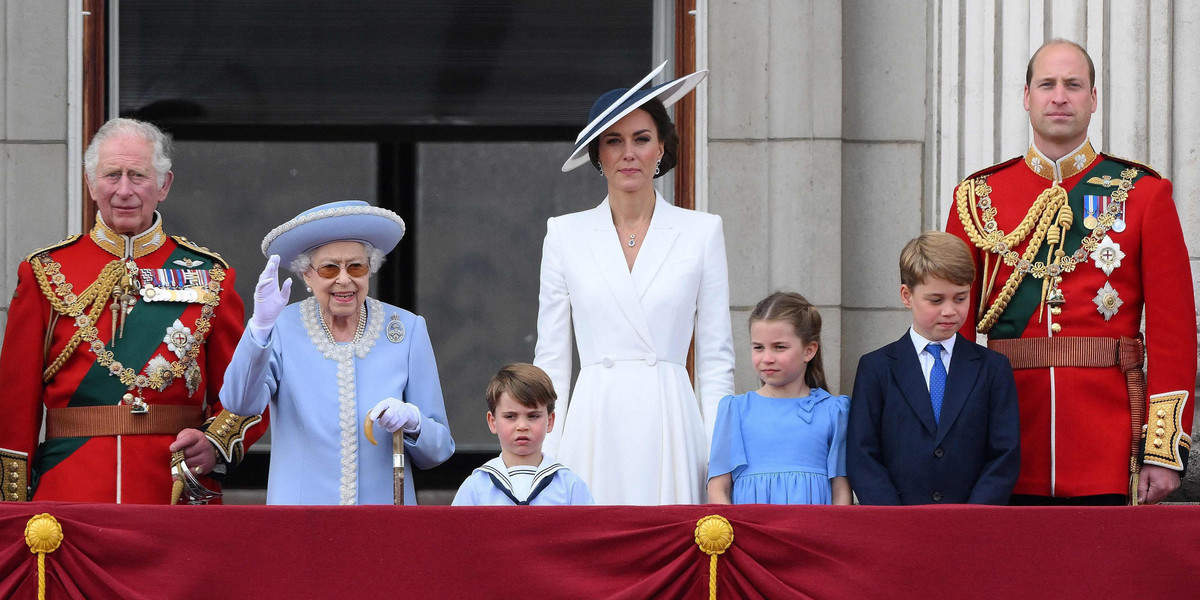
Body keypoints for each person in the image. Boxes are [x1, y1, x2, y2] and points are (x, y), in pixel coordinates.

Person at [945, 39, 1196, 505]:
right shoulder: (977, 199)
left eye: (1073, 85)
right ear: (1027, 96)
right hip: (1004, 443)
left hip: (1110, 447)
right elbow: (951, 330)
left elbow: (1173, 332)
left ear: (1093, 99)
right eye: (1047, 84)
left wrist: (1162, 450)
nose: (1059, 96)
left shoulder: (1143, 194)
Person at [0, 117, 263, 504]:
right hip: (69, 492)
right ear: (91, 184)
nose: (124, 190)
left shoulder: (210, 276)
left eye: (138, 175)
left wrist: (214, 443)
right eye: (111, 175)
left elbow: (245, 390)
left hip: (173, 491)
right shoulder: (44, 272)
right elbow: (14, 403)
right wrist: (13, 506)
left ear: (163, 185)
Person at [534, 62, 735, 505]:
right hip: (593, 421)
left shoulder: (702, 231)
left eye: (641, 139)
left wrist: (719, 460)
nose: (629, 153)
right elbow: (551, 360)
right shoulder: (564, 234)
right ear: (597, 154)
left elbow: (716, 361)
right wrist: (546, 454)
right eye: (614, 141)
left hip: (671, 419)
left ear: (661, 147)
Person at [220, 200, 454, 505]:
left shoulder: (407, 330)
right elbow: (239, 403)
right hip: (302, 522)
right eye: (330, 268)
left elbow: (439, 451)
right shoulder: (281, 328)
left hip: (384, 522)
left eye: (356, 266)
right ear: (307, 275)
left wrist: (415, 423)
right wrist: (260, 329)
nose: (344, 279)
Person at [847, 232, 1021, 505]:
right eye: (936, 300)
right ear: (907, 295)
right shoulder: (876, 368)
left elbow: (1004, 453)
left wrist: (974, 515)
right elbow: (862, 453)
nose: (950, 311)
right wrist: (894, 517)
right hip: (898, 525)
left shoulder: (992, 368)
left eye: (960, 298)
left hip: (971, 525)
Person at [707, 292, 850, 505]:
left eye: (779, 347)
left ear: (808, 351)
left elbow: (841, 490)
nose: (767, 358)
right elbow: (718, 488)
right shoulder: (735, 409)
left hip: (811, 533)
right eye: (758, 347)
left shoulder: (833, 410)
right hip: (750, 533)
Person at [452, 363, 593, 506]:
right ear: (492, 422)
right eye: (510, 416)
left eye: (533, 416)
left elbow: (591, 528)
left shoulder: (571, 487)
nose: (522, 426)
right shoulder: (474, 488)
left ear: (550, 421)